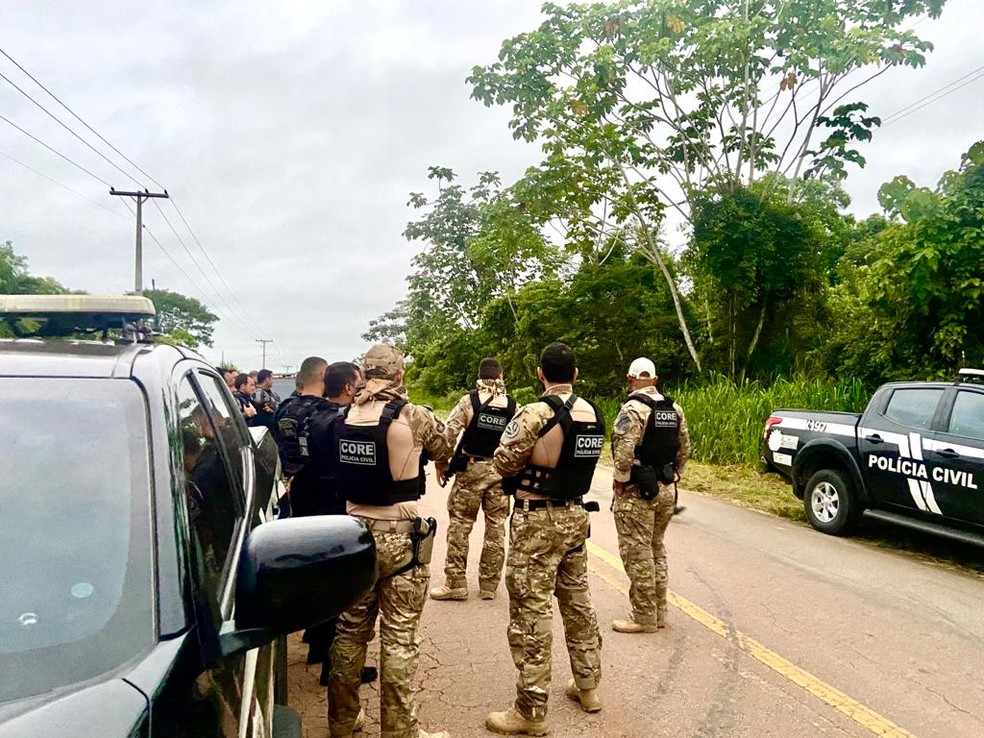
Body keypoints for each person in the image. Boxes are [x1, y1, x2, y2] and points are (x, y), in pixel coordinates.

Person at [327, 343, 452, 738]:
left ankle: (342, 720)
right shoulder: (413, 415)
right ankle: (399, 731)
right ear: (399, 375)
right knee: (399, 638)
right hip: (399, 537)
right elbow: (445, 446)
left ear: (363, 375)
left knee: (349, 632)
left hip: (353, 537)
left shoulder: (345, 415)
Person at [486, 342, 604, 736]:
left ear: (540, 373)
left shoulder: (534, 412)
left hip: (537, 519)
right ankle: (588, 687)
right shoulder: (593, 412)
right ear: (575, 373)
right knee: (577, 602)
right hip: (576, 515)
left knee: (530, 612)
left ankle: (531, 711)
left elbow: (504, 461)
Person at [610, 357, 691, 634]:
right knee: (656, 549)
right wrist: (670, 473)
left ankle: (643, 616)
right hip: (666, 488)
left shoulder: (633, 410)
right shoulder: (674, 408)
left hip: (638, 492)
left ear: (630, 379)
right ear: (655, 380)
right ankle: (659, 612)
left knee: (638, 552)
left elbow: (623, 457)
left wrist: (621, 483)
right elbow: (685, 450)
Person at [430, 358, 515, 602]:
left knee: (460, 525)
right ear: (501, 375)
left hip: (470, 471)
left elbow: (449, 435)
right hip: (500, 472)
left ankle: (455, 583)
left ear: (479, 375)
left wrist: (441, 462)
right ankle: (489, 585)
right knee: (496, 528)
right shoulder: (512, 405)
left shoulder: (469, 401)